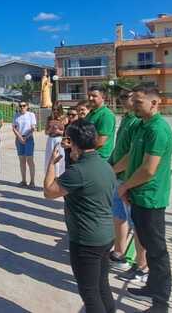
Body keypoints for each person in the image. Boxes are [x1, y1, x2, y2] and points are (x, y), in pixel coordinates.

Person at [43, 121, 117, 312]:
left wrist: (51, 164)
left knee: (90, 294)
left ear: (74, 143)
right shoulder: (105, 165)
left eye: (68, 139)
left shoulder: (77, 172)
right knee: (102, 285)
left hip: (86, 241)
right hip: (106, 236)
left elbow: (49, 192)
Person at [119, 85, 172, 312]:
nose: (134, 105)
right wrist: (111, 171)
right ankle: (151, 287)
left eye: (139, 102)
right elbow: (132, 157)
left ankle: (161, 302)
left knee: (157, 250)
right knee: (149, 247)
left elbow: (149, 169)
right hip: (138, 195)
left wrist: (124, 186)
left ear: (155, 102)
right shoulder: (143, 125)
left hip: (151, 198)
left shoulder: (158, 129)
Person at [109, 90, 148, 282]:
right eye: (122, 97)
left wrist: (113, 170)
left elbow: (132, 154)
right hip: (118, 175)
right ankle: (121, 254)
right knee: (119, 217)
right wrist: (110, 163)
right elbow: (120, 148)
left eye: (129, 97)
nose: (124, 101)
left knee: (137, 224)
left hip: (128, 178)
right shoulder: (126, 119)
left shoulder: (137, 123)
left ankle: (142, 266)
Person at [84, 86, 117, 161]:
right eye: (89, 96)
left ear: (103, 97)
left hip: (99, 157)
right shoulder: (91, 114)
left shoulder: (106, 115)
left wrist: (83, 151)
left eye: (94, 96)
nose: (90, 98)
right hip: (90, 155)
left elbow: (101, 141)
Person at [12, 102, 38, 187]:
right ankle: (23, 180)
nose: (22, 107)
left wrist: (26, 137)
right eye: (20, 106)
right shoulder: (16, 115)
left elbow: (33, 128)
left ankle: (32, 181)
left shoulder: (31, 115)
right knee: (22, 160)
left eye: (24, 106)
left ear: (27, 106)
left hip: (29, 139)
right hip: (19, 139)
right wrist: (20, 137)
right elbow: (14, 128)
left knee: (30, 160)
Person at [44, 104, 66, 178]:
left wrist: (58, 131)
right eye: (54, 109)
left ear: (60, 110)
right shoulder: (49, 118)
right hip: (51, 140)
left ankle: (59, 177)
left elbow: (67, 133)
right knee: (50, 158)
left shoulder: (64, 118)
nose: (55, 111)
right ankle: (51, 177)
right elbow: (46, 132)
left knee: (60, 159)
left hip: (60, 139)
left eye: (57, 109)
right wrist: (51, 129)